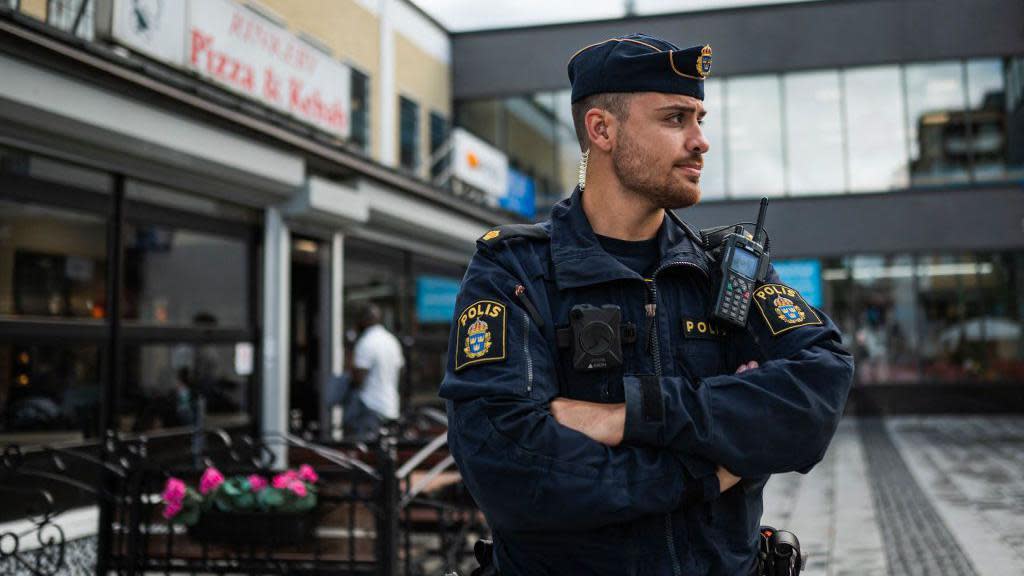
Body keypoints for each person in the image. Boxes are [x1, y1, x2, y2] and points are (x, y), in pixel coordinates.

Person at [439, 33, 854, 575]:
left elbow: (816, 392)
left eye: (700, 119)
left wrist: (629, 416)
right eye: (675, 119)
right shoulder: (515, 272)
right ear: (602, 130)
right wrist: (704, 469)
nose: (701, 140)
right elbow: (510, 468)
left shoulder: (724, 271)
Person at [346, 303, 405, 439]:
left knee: (366, 452)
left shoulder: (366, 342)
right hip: (390, 405)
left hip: (370, 406)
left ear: (364, 320)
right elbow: (401, 371)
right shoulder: (391, 340)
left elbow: (359, 378)